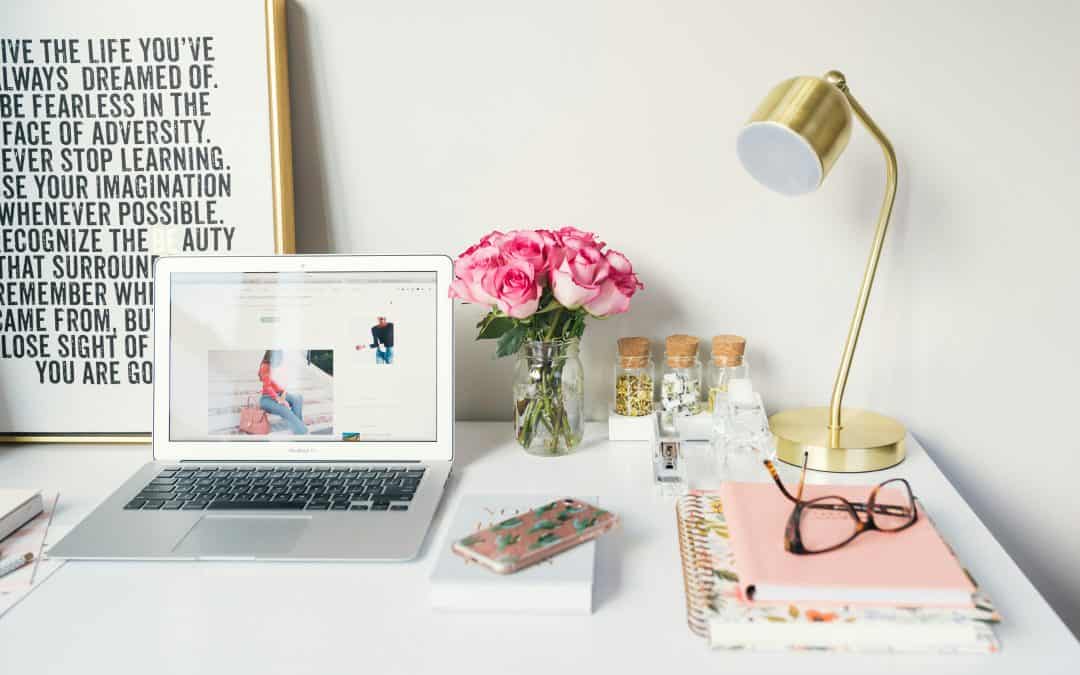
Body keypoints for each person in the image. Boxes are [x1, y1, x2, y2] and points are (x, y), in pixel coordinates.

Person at [257, 350, 307, 434]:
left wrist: (283, 394)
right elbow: (267, 387)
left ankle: (298, 427)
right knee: (285, 410)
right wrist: (279, 400)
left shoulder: (277, 367)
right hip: (267, 399)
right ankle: (302, 432)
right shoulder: (265, 366)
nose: (280, 359)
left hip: (279, 394)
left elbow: (280, 385)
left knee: (298, 398)